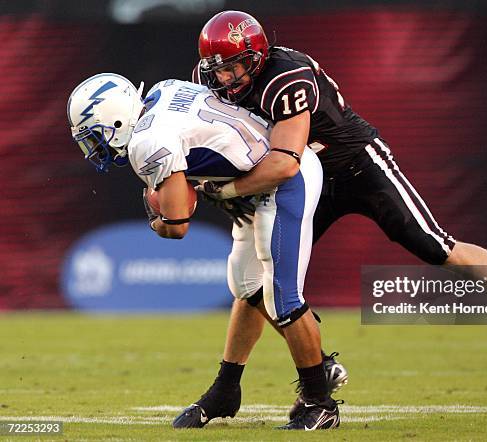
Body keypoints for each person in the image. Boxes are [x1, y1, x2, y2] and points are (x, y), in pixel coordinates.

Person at [190, 9, 487, 423]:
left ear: (258, 55)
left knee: (434, 245)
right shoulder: (206, 82)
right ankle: (237, 384)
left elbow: (285, 160)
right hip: (305, 180)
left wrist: (225, 189)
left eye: (234, 66)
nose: (227, 79)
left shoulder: (286, 76)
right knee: (256, 278)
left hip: (355, 165)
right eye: (219, 69)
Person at [67, 73, 342, 430]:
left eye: (95, 134)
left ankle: (321, 403)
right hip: (256, 179)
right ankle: (228, 389)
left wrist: (156, 217)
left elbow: (178, 224)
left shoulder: (146, 142)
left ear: (115, 119)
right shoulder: (164, 89)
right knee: (245, 284)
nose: (94, 146)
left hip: (283, 179)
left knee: (281, 296)